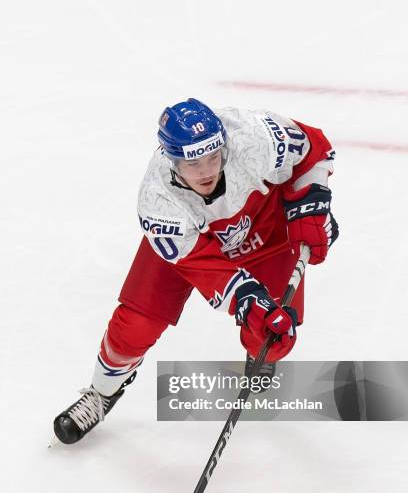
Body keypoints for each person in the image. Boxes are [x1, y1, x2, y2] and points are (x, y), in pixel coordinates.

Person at [53, 99, 339, 444]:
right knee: (134, 327)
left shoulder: (256, 136)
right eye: (192, 163)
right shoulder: (158, 201)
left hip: (264, 230)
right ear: (171, 158)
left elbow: (313, 150)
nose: (205, 170)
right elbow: (205, 267)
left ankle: (257, 351)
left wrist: (311, 200)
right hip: (192, 244)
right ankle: (101, 394)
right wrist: (247, 299)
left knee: (273, 335)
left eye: (212, 158)